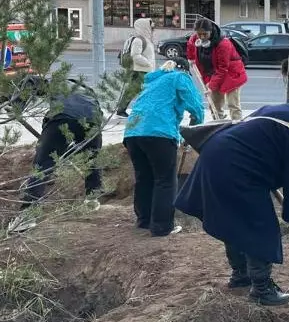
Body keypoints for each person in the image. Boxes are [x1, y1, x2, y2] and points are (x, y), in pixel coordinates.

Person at [174, 104, 289, 306]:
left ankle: (241, 277)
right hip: (238, 168)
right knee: (262, 229)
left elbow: (262, 129)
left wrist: (263, 162)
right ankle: (261, 289)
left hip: (216, 154)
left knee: (234, 222)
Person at [7, 77, 104, 233]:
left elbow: (29, 81)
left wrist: (17, 106)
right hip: (94, 122)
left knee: (42, 165)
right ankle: (92, 198)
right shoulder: (88, 91)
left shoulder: (54, 80)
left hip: (62, 118)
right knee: (92, 160)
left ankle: (27, 215)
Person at [123, 58, 204, 237]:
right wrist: (194, 129)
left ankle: (144, 220)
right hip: (158, 132)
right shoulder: (180, 77)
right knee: (165, 180)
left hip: (132, 133)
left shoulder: (152, 81)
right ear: (184, 69)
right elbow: (196, 106)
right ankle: (162, 226)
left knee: (144, 178)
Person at [186, 18, 247, 121]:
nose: (202, 37)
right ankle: (218, 122)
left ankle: (237, 124)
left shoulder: (223, 44)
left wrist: (211, 86)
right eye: (199, 34)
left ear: (211, 31)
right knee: (214, 103)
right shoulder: (196, 39)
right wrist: (190, 58)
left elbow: (222, 69)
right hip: (212, 73)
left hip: (232, 74)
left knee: (232, 104)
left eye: (205, 34)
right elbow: (191, 46)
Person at [116, 18, 156, 117]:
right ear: (144, 26)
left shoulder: (145, 39)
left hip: (145, 70)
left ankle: (125, 110)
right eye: (150, 26)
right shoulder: (138, 40)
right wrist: (148, 64)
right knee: (135, 91)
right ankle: (121, 110)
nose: (152, 28)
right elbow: (135, 56)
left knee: (141, 91)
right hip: (140, 71)